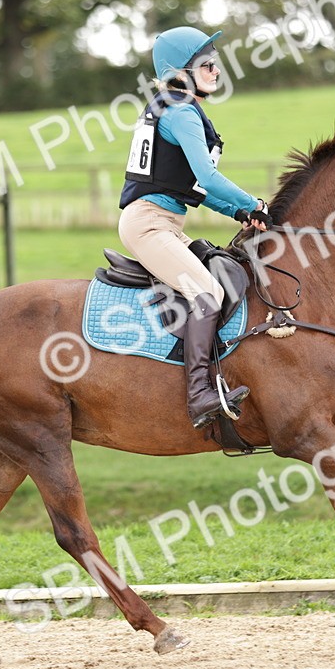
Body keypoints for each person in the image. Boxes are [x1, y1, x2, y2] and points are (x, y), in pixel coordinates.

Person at [119, 26, 270, 430]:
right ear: (179, 71)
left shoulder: (177, 106)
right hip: (149, 224)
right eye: (206, 63)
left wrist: (239, 213)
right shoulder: (181, 110)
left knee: (225, 272)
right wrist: (251, 202)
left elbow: (196, 188)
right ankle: (201, 393)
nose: (216, 70)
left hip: (164, 221)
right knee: (207, 291)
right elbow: (207, 173)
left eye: (215, 62)